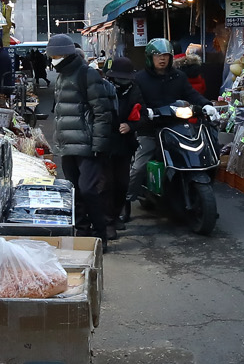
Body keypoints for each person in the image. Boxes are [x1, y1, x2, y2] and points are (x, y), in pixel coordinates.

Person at [45, 32, 116, 241]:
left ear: (65, 55)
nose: (52, 60)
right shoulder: (61, 77)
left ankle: (100, 233)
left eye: (54, 56)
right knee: (75, 192)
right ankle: (83, 233)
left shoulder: (87, 74)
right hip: (67, 146)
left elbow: (102, 113)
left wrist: (99, 145)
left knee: (88, 190)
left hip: (87, 146)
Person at [128, 38, 195, 205]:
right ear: (150, 57)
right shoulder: (139, 78)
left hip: (175, 128)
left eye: (165, 55)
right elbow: (136, 101)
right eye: (158, 55)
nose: (162, 59)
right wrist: (146, 111)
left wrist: (207, 106)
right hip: (149, 129)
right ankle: (126, 201)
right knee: (139, 166)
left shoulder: (179, 76)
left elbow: (191, 94)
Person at [106, 48, 140, 228]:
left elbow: (142, 114)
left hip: (125, 144)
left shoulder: (135, 90)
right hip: (106, 142)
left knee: (122, 183)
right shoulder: (104, 88)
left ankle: (116, 215)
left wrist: (131, 126)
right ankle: (108, 222)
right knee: (107, 184)